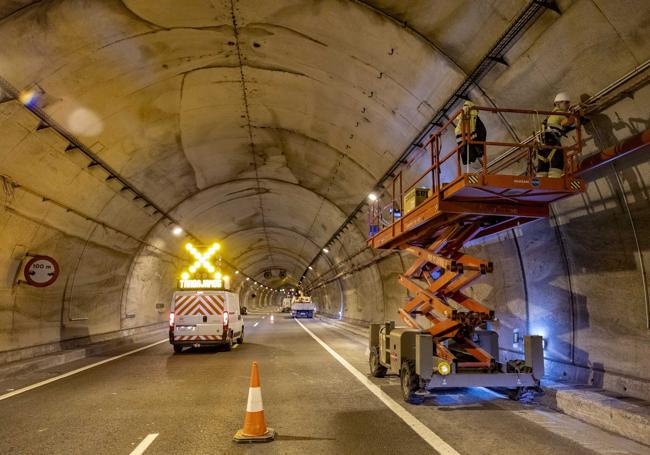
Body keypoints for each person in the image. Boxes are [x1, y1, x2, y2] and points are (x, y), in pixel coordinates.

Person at [536, 92, 577, 178]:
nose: (568, 105)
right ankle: (554, 181)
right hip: (551, 141)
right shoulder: (559, 114)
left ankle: (540, 182)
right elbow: (571, 123)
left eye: (568, 103)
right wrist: (574, 115)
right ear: (557, 104)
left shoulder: (549, 116)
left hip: (541, 144)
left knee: (543, 165)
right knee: (557, 161)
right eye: (566, 102)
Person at [455, 100, 487, 171]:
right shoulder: (473, 115)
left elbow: (459, 130)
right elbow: (482, 132)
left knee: (466, 148)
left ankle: (470, 156)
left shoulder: (464, 114)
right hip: (471, 140)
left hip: (467, 141)